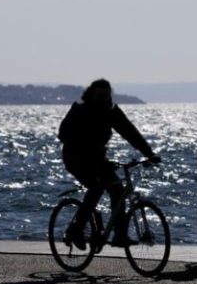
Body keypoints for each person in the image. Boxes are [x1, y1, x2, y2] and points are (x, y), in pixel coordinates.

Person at [58, 79, 160, 247]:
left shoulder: (111, 112)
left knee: (118, 190)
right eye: (99, 96)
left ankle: (120, 236)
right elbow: (63, 135)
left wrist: (149, 154)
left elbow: (131, 133)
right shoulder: (79, 110)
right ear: (91, 95)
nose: (102, 100)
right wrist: (82, 144)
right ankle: (76, 229)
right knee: (96, 187)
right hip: (75, 158)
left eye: (105, 96)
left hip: (98, 160)